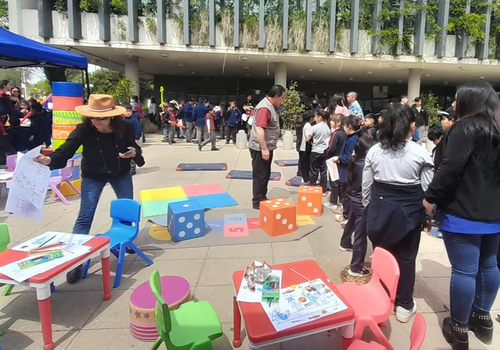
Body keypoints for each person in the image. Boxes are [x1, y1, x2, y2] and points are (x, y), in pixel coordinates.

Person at [34, 94, 144, 284]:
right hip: (93, 175)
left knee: (126, 211)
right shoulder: (83, 130)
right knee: (85, 216)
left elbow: (134, 148)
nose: (97, 122)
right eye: (93, 117)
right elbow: (65, 150)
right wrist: (49, 160)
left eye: (102, 118)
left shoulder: (123, 128)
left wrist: (134, 153)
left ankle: (125, 242)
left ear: (112, 117)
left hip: (120, 173)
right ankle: (75, 262)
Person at [423, 81, 500, 349]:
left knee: (465, 272)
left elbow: (449, 168)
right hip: (494, 214)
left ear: (469, 100)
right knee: (489, 266)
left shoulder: (464, 128)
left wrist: (430, 198)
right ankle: (483, 318)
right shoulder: (496, 129)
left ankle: (459, 328)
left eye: (457, 99)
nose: (454, 105)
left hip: (464, 212)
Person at [363, 103, 434, 323]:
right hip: (409, 215)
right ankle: (404, 304)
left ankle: (383, 295)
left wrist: (370, 209)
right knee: (405, 258)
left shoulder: (374, 151)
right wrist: (428, 216)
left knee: (382, 255)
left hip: (379, 210)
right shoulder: (420, 153)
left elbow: (366, 187)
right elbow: (427, 190)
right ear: (411, 127)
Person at [249, 85, 285, 210]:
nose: (283, 100)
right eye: (282, 98)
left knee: (265, 174)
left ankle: (262, 197)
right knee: (260, 175)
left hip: (267, 147)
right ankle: (258, 201)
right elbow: (259, 128)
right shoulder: (265, 108)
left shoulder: (272, 106)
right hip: (260, 148)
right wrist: (264, 148)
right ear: (275, 96)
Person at [343, 137, 376, 277]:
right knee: (361, 236)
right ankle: (356, 267)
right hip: (362, 202)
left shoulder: (356, 161)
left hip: (354, 199)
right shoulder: (364, 166)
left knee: (352, 222)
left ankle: (344, 242)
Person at [334, 115, 362, 226]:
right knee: (346, 194)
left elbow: (350, 157)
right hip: (346, 170)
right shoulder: (353, 137)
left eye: (344, 126)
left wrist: (339, 158)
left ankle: (347, 217)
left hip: (347, 171)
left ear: (349, 126)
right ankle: (347, 215)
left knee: (346, 194)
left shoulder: (353, 139)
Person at [324, 114, 346, 210]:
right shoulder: (345, 133)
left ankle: (333, 202)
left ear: (339, 123)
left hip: (334, 159)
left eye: (333, 120)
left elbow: (331, 148)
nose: (331, 122)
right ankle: (341, 201)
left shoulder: (336, 134)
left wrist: (326, 153)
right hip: (343, 159)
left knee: (334, 180)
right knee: (341, 181)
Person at [306, 108, 331, 193]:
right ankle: (323, 189)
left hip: (315, 151)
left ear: (320, 117)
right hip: (325, 151)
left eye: (316, 116)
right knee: (323, 171)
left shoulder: (314, 127)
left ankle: (312, 187)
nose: (315, 118)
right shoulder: (328, 128)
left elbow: (308, 139)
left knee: (313, 170)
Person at [298, 110, 314, 184]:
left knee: (303, 163)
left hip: (302, 147)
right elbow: (308, 138)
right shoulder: (308, 125)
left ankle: (305, 178)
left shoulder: (303, 124)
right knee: (306, 164)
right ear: (311, 118)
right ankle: (306, 179)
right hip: (305, 148)